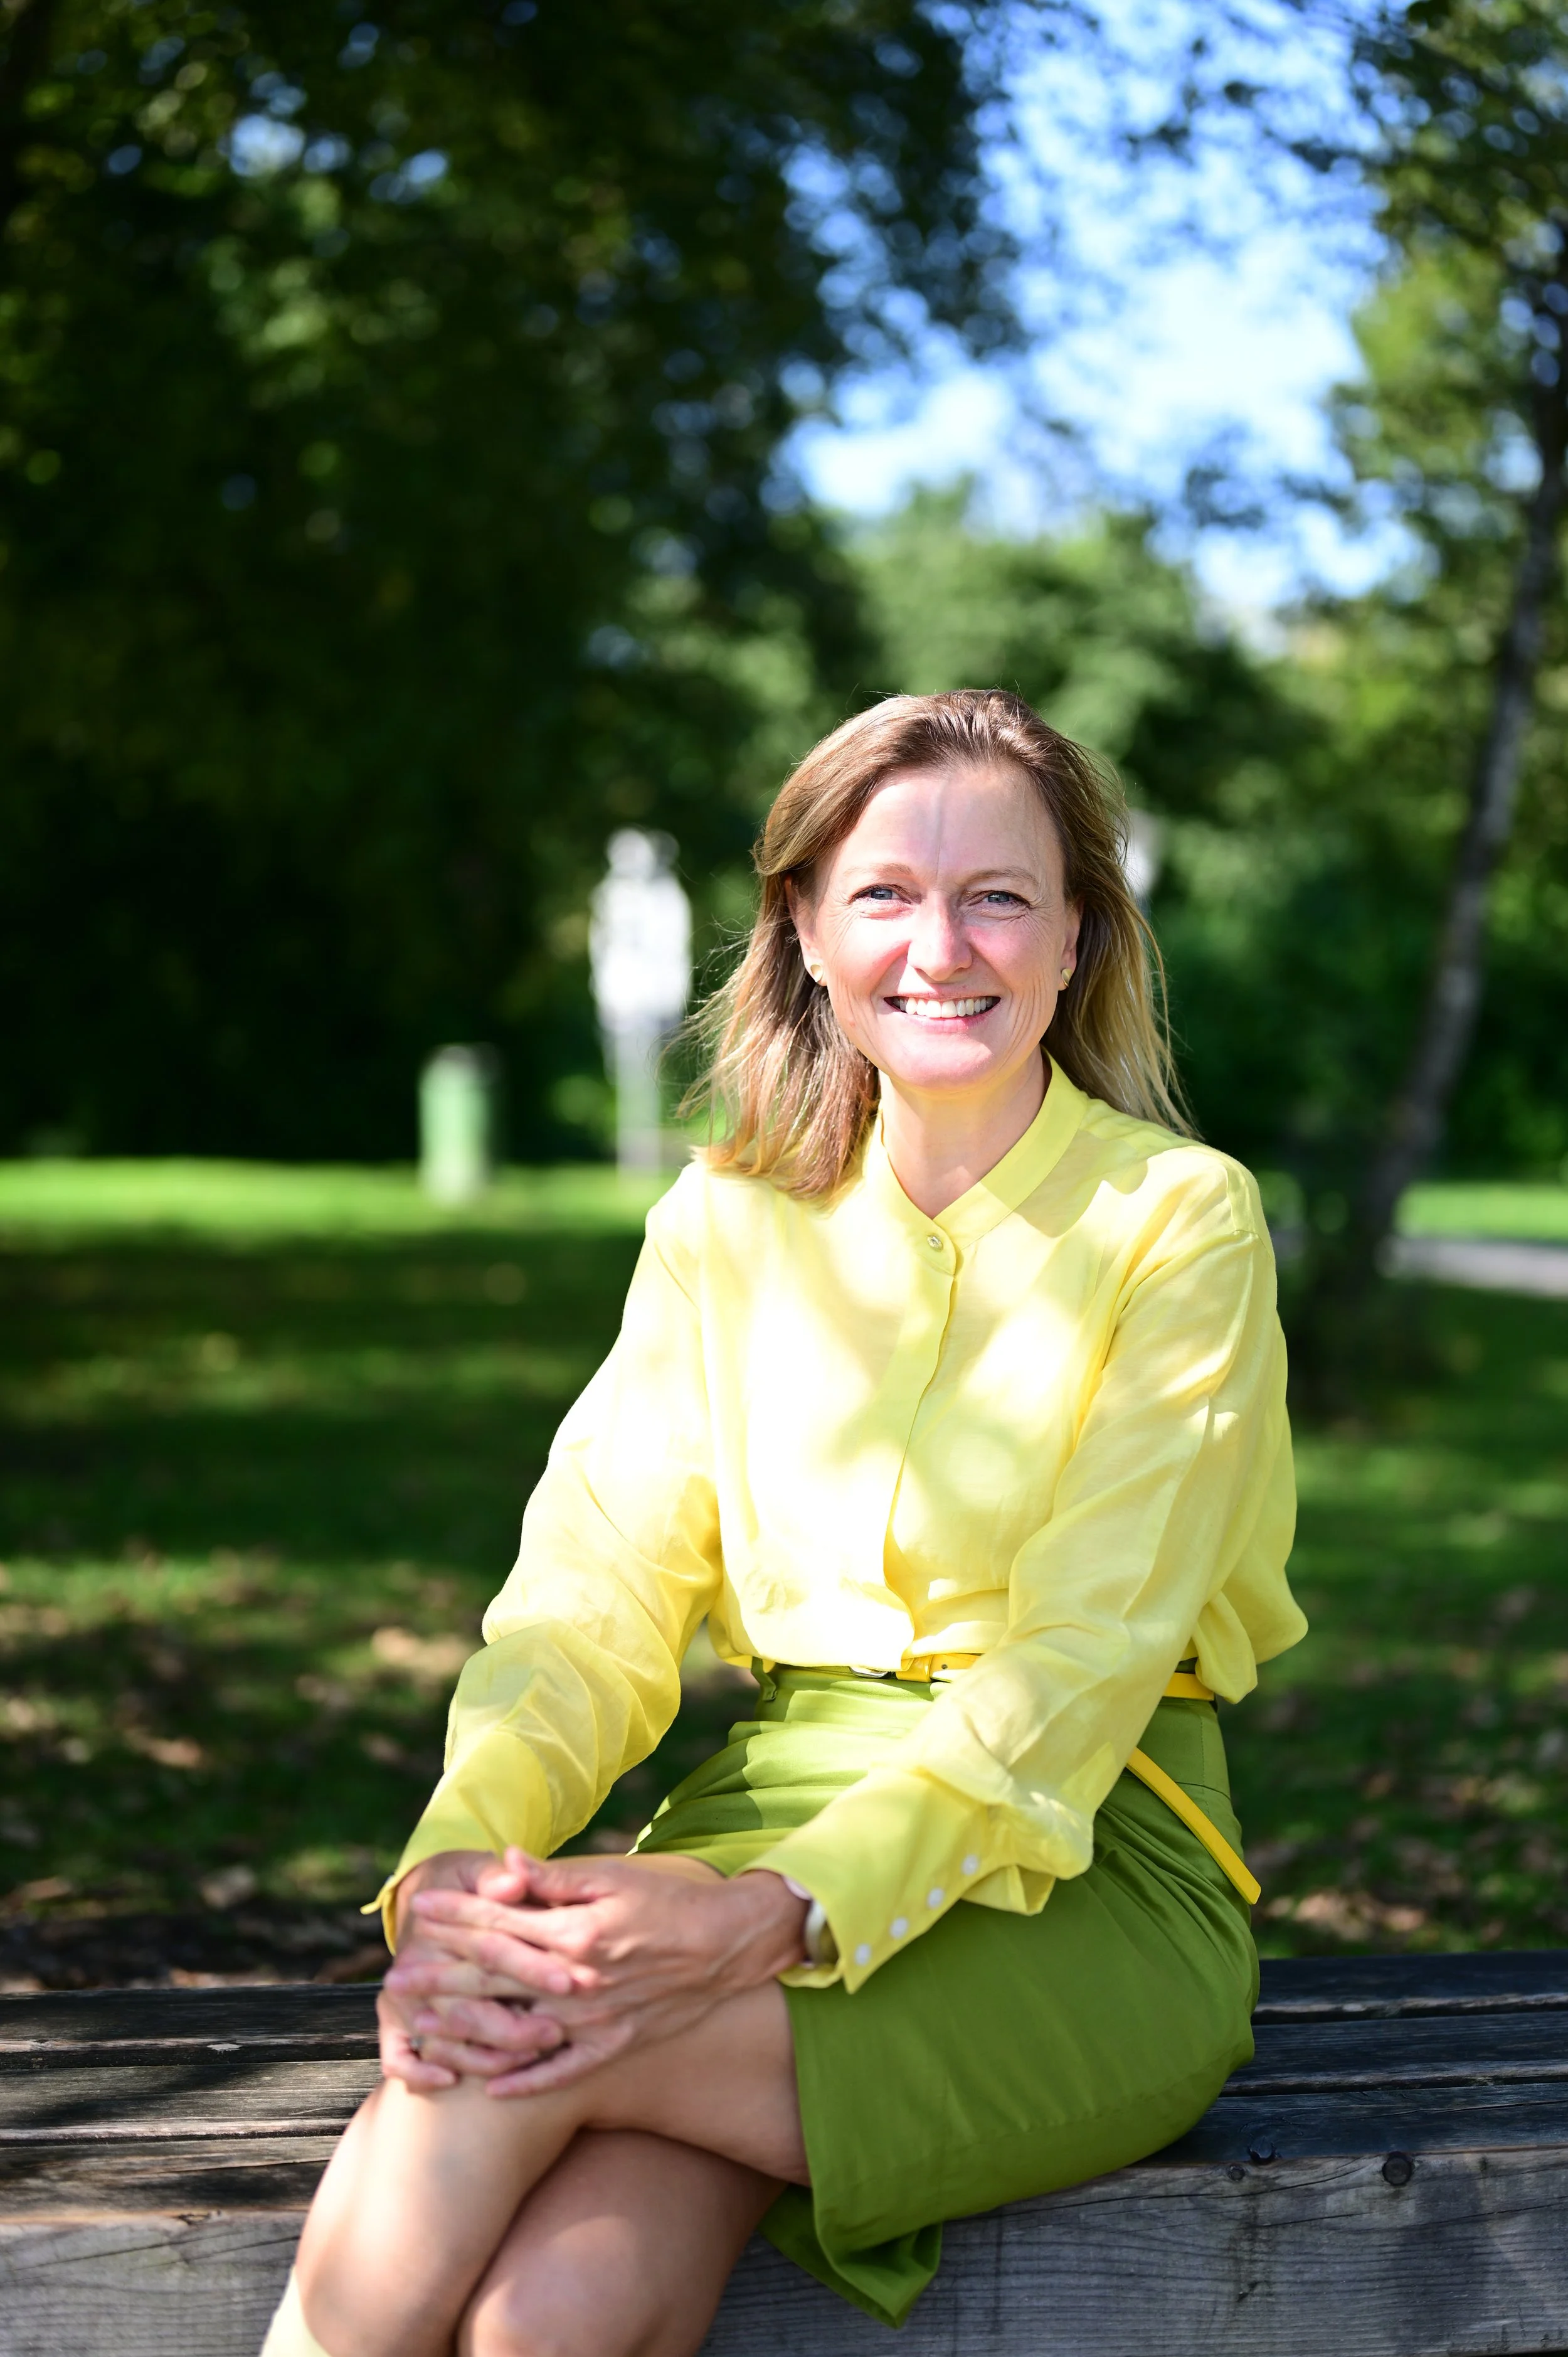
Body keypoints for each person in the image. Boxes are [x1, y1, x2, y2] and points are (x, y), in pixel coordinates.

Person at [261, 689, 1305, 2357]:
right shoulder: (723, 1222)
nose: (939, 945)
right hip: (755, 1820)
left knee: (511, 2045)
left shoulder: (1179, 1221)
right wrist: (458, 1864)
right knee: (556, 2315)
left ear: (1079, 938)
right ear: (807, 934)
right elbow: (588, 1599)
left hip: (1089, 1855)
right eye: (883, 892)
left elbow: (1086, 1656)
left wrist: (778, 1910)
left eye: (998, 895)